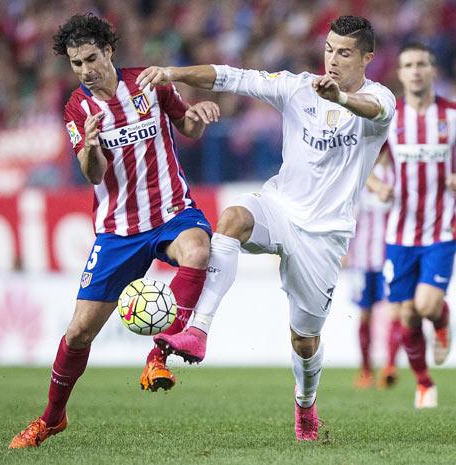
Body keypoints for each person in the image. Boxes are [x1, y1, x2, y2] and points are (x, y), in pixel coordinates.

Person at [137, 15, 395, 441]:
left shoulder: (379, 99)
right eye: (329, 49)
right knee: (234, 218)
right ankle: (198, 330)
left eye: (344, 53)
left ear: (367, 57)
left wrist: (341, 100)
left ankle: (306, 406)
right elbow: (232, 77)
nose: (332, 59)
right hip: (278, 208)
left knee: (304, 341)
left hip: (324, 236)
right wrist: (172, 73)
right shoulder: (297, 88)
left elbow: (374, 110)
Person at [9, 14, 220, 448]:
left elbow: (188, 127)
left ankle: (157, 356)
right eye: (75, 63)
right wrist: (88, 147)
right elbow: (93, 173)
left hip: (171, 213)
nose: (85, 70)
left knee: (199, 251)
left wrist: (198, 114)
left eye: (90, 58)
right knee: (78, 333)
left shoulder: (149, 83)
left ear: (109, 51)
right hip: (118, 231)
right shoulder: (77, 108)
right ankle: (51, 418)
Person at [367, 42, 456, 409]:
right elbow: (365, 166)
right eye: (409, 65)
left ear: (433, 70)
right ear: (401, 73)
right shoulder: (389, 118)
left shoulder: (455, 115)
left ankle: (441, 319)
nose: (416, 70)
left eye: (422, 63)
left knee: (424, 304)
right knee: (405, 312)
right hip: (399, 233)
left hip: (441, 230)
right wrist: (378, 185)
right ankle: (424, 383)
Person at [346, 162, 402, 389]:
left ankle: (389, 367)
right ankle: (366, 370)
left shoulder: (396, 172)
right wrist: (345, 250)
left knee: (393, 311)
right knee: (365, 314)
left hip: (389, 256)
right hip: (362, 259)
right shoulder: (359, 171)